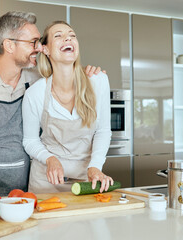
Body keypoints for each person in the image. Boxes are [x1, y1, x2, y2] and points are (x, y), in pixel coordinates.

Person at [0, 11, 102, 196]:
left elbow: (65, 73)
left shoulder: (36, 80)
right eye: (33, 42)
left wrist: (87, 73)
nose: (39, 48)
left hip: (24, 193)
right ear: (9, 45)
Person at [22, 21, 113, 194]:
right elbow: (30, 140)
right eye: (58, 36)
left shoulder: (98, 81)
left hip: (86, 178)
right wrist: (50, 159)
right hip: (46, 180)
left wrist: (95, 166)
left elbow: (103, 130)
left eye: (72, 35)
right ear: (46, 49)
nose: (68, 39)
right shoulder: (35, 93)